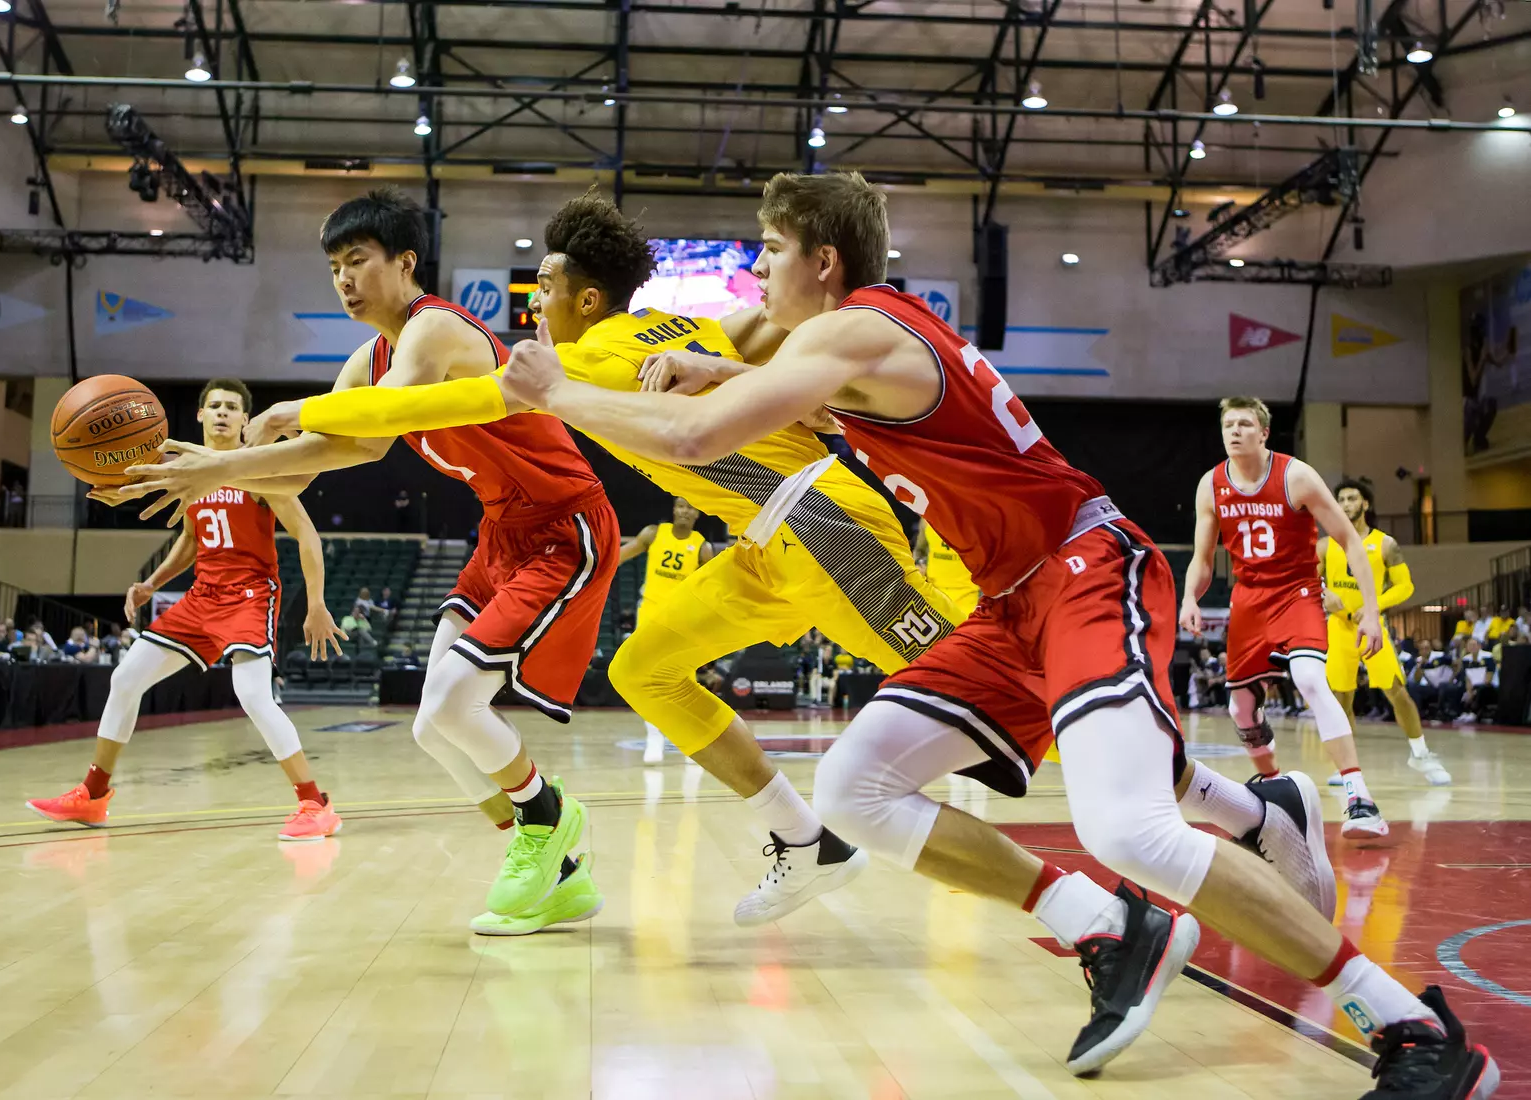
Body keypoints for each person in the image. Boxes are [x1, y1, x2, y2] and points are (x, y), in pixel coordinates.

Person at [466, 171, 1494, 1094]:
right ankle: (1110, 918)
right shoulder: (855, 338)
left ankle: (1410, 1024)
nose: (756, 268)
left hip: (1086, 567)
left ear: (822, 260)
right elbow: (810, 409)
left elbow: (695, 442)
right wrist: (718, 375)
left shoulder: (854, 329)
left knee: (1125, 825)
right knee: (853, 789)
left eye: (771, 248)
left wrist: (560, 390)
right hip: (1013, 603)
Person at [270, 190, 1002, 931]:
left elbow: (412, 410)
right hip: (763, 547)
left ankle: (1107, 775)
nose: (535, 309)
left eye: (546, 290)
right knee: (642, 669)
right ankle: (808, 840)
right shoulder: (684, 325)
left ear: (586, 299)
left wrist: (303, 410)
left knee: (985, 691)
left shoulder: (579, 364)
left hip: (824, 524)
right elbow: (770, 330)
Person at [117, 191, 615, 936]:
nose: (344, 280)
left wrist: (296, 413)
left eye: (358, 261)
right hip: (501, 533)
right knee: (430, 727)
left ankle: (548, 815)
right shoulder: (369, 356)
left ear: (404, 262)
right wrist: (221, 471)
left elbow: (380, 413)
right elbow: (326, 461)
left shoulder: (435, 329)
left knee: (453, 703)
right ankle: (560, 875)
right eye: (334, 268)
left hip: (562, 524)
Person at [25, 380, 349, 842]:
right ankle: (93, 795)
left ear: (245, 420)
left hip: (249, 595)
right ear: (198, 416)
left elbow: (308, 534)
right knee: (125, 678)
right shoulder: (191, 472)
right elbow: (193, 539)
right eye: (213, 405)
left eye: (232, 407)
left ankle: (314, 804)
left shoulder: (257, 469)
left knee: (254, 697)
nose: (222, 412)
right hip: (202, 597)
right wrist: (152, 583)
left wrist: (316, 604)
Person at [1180, 397, 1390, 840]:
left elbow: (1351, 542)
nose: (1234, 431)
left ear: (1264, 433)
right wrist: (1189, 598)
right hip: (1249, 601)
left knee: (1311, 679)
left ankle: (1360, 797)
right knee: (1240, 708)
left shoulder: (1295, 476)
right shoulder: (1210, 484)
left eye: (1244, 424)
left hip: (1297, 594)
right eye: (1228, 425)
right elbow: (1203, 559)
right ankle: (1274, 790)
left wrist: (1371, 612)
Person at [1322, 479, 1450, 785]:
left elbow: (1406, 586)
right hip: (1339, 628)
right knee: (1341, 700)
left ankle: (1420, 755)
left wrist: (1372, 605)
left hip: (1371, 628)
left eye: (1352, 498)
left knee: (1397, 690)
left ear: (1365, 504)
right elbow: (1307, 581)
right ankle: (1348, 767)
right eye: (1341, 499)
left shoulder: (1385, 544)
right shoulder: (1326, 545)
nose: (1345, 504)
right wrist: (1323, 593)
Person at [617, 496, 717, 762]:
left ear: (697, 513)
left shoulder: (702, 547)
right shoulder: (653, 534)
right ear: (674, 509)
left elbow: (713, 586)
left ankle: (691, 741)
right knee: (645, 674)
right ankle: (654, 736)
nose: (685, 511)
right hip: (650, 611)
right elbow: (619, 556)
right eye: (681, 505)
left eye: (690, 507)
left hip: (682, 617)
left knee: (686, 677)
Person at [914, 518, 980, 616]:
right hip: (934, 598)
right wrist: (919, 565)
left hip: (970, 599)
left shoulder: (978, 521)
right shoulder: (927, 519)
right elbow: (920, 551)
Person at [1456, 637, 1496, 723]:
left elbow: (1489, 678)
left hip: (1488, 686)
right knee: (1459, 688)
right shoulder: (1466, 659)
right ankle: (1461, 712)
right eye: (1470, 645)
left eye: (1474, 645)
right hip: (1473, 686)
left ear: (1479, 646)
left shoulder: (1488, 656)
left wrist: (1474, 691)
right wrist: (1469, 690)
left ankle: (1474, 713)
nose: (1472, 647)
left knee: (1481, 689)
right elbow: (1467, 678)